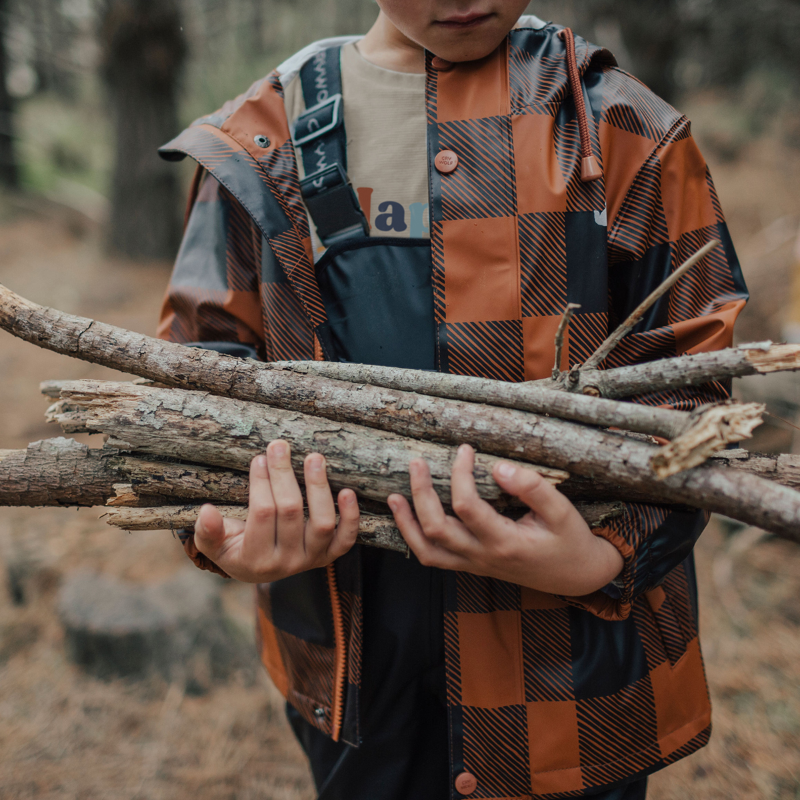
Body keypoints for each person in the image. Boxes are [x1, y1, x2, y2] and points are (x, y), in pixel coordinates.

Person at [157, 3, 749, 799]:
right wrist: (228, 531)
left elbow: (694, 384)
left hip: (574, 680)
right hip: (355, 672)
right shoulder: (261, 141)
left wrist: (605, 555)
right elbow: (194, 382)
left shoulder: (622, 131)